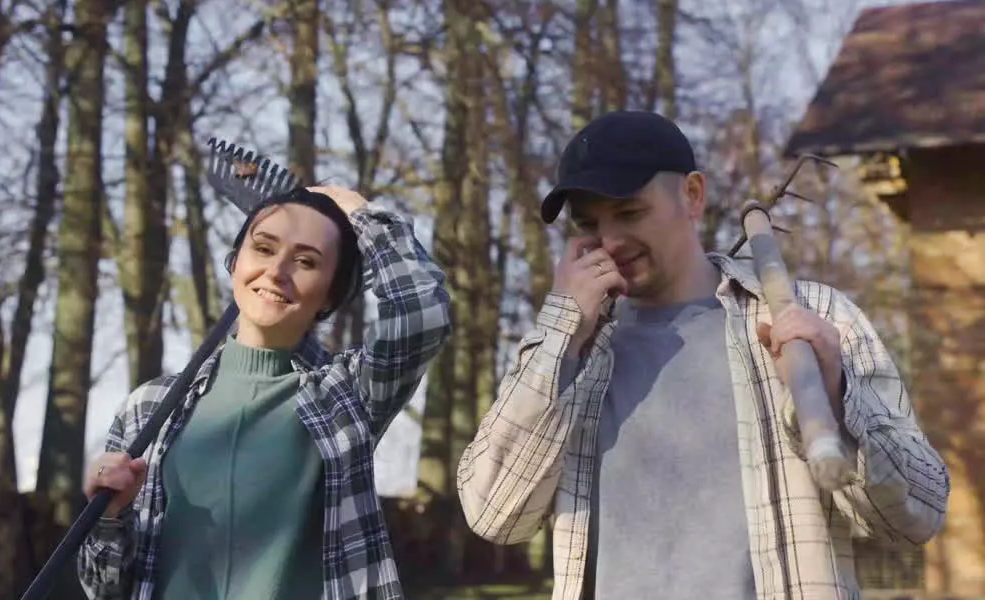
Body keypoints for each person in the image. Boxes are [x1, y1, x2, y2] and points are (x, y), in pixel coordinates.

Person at [456, 110, 949, 600]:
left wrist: (840, 397)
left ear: (693, 195)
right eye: (589, 224)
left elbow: (918, 513)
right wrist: (560, 335)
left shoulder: (810, 319)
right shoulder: (575, 351)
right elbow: (494, 514)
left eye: (629, 213)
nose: (611, 242)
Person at [77, 184, 452, 600]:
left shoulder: (346, 394)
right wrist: (109, 516)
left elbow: (422, 315)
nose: (276, 271)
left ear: (330, 294)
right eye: (263, 248)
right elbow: (103, 590)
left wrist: (363, 215)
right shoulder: (149, 407)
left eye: (307, 260)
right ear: (235, 262)